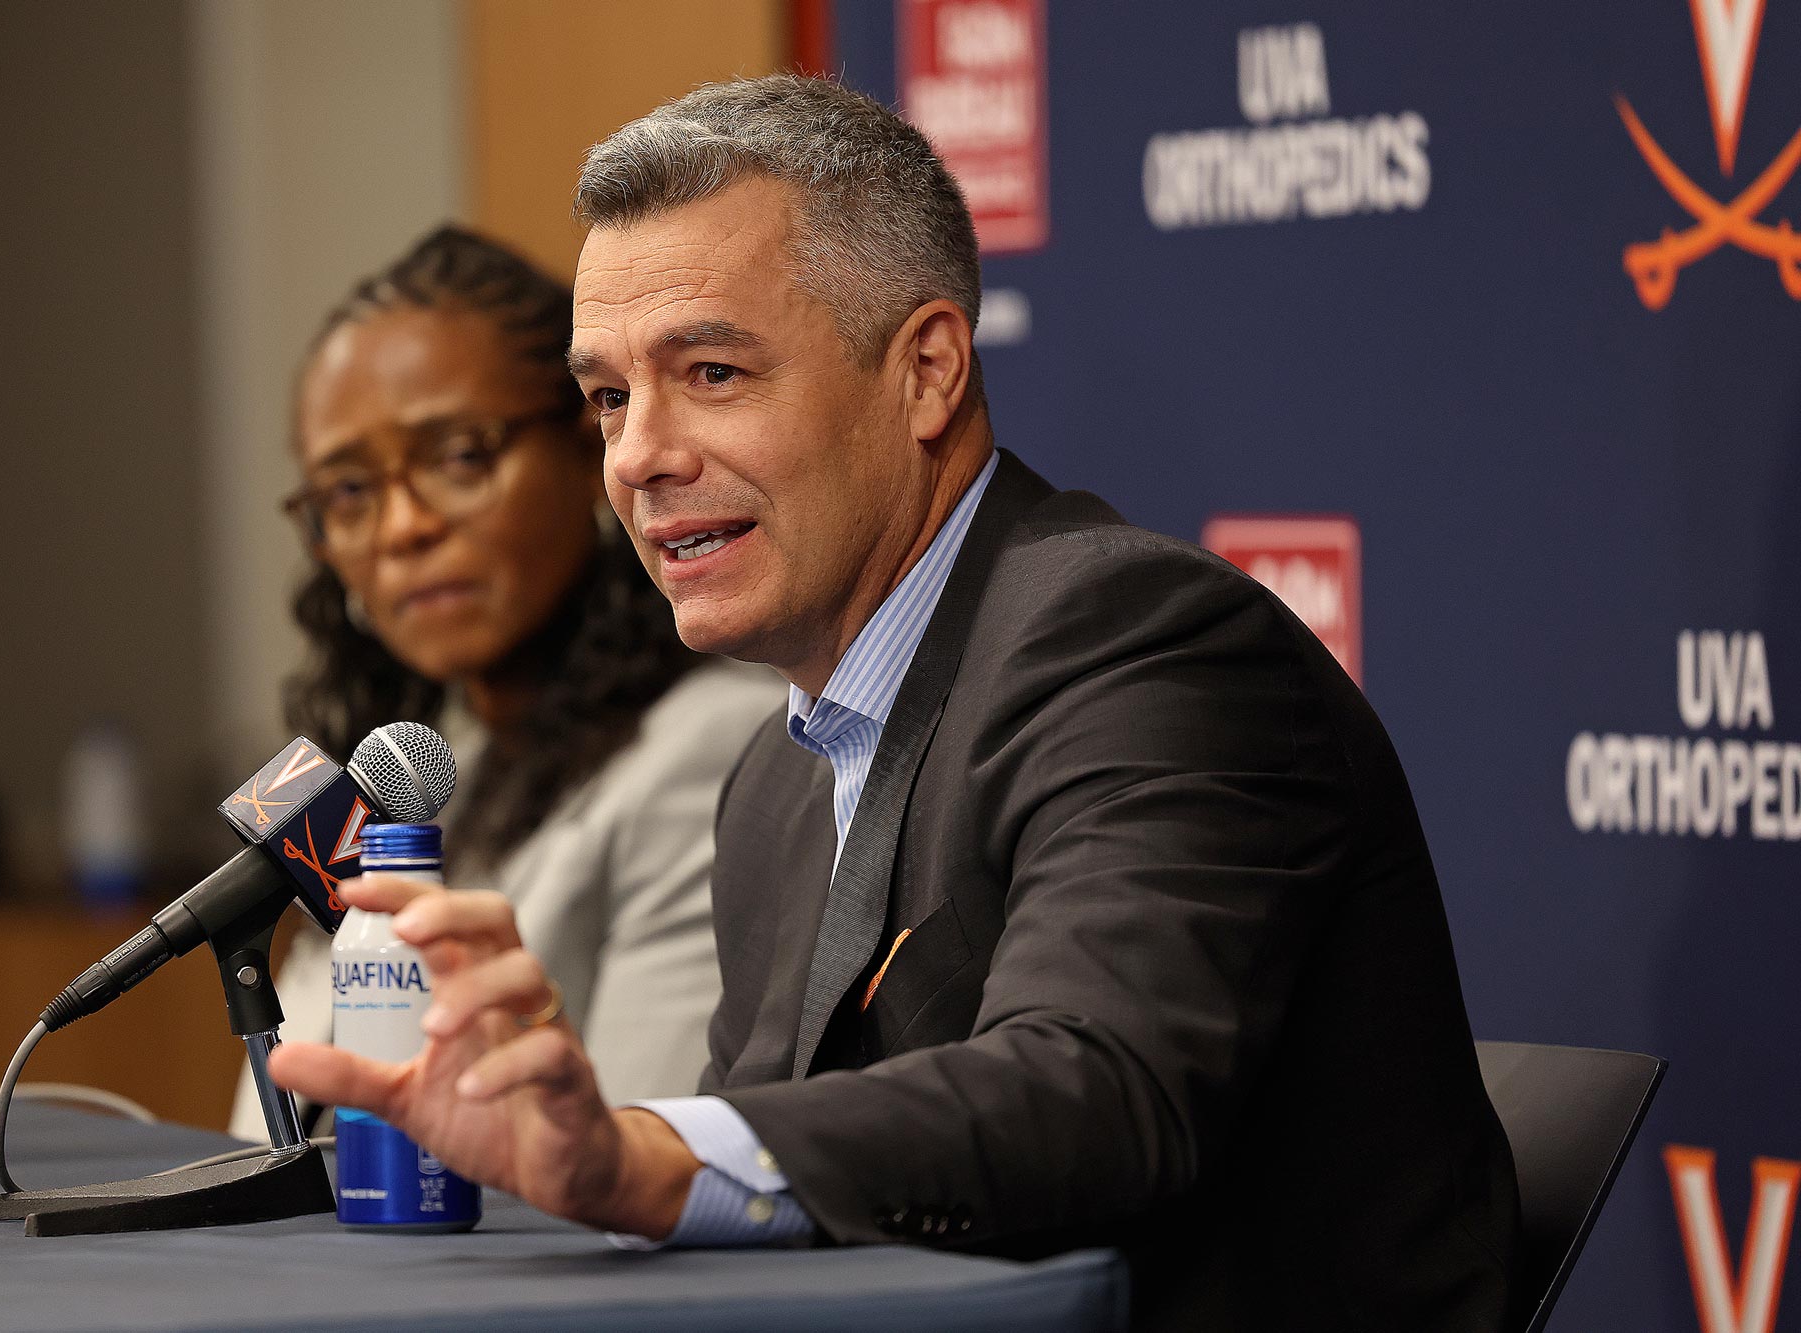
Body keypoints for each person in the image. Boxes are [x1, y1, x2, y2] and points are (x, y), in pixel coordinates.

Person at [271, 78, 1519, 1330]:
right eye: (608, 398)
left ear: (924, 373)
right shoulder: (772, 783)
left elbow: (1099, 1091)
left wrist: (642, 1154)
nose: (639, 455)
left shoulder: (1142, 644)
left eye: (709, 371)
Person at [230, 226, 782, 1138]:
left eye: (459, 457)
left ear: (588, 446)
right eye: (351, 492)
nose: (403, 527)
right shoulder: (421, 773)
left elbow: (641, 1153)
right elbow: (265, 1132)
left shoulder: (715, 752)